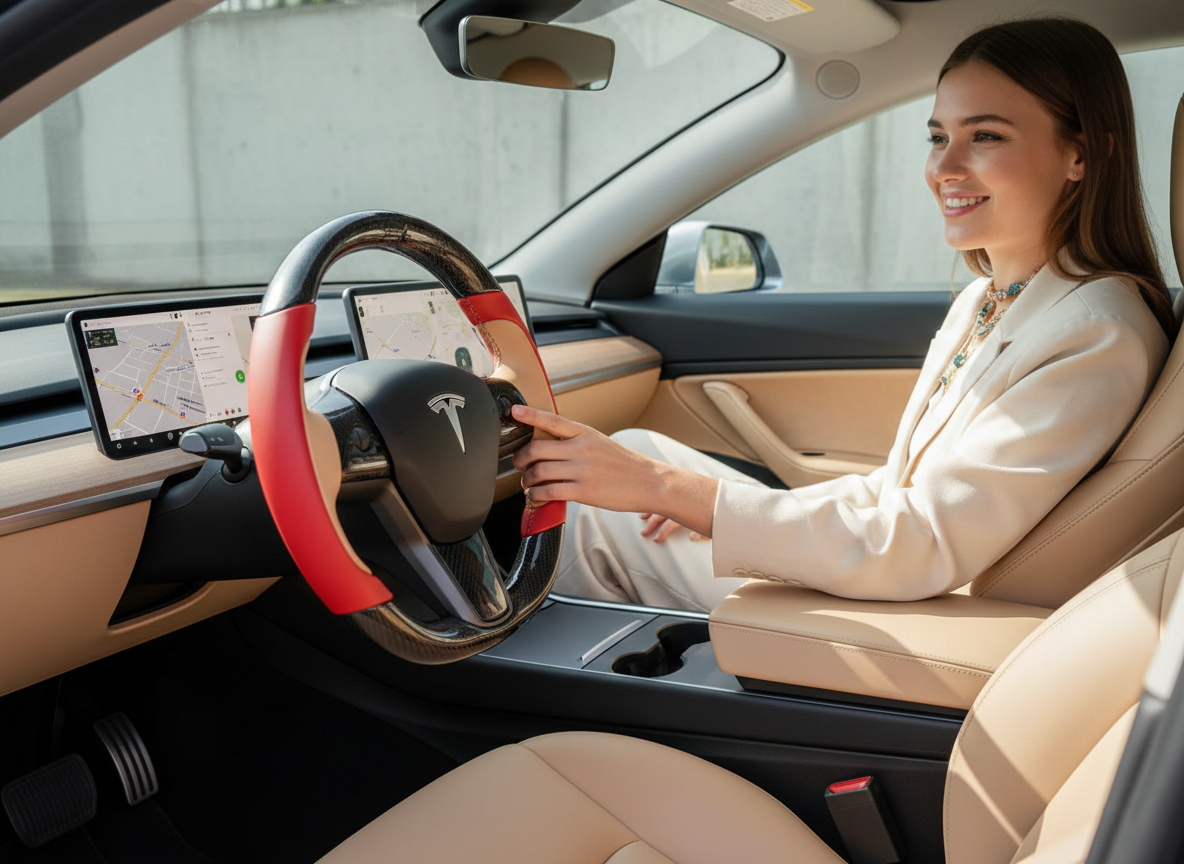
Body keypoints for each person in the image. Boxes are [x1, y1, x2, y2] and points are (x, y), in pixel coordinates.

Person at [510, 17, 1176, 612]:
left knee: (600, 507)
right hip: (909, 578)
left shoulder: (1097, 331)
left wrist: (682, 497)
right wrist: (706, 505)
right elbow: (901, 490)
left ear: (1082, 155)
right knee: (636, 450)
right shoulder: (994, 298)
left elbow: (920, 541)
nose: (943, 167)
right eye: (938, 135)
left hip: (926, 613)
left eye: (987, 136)